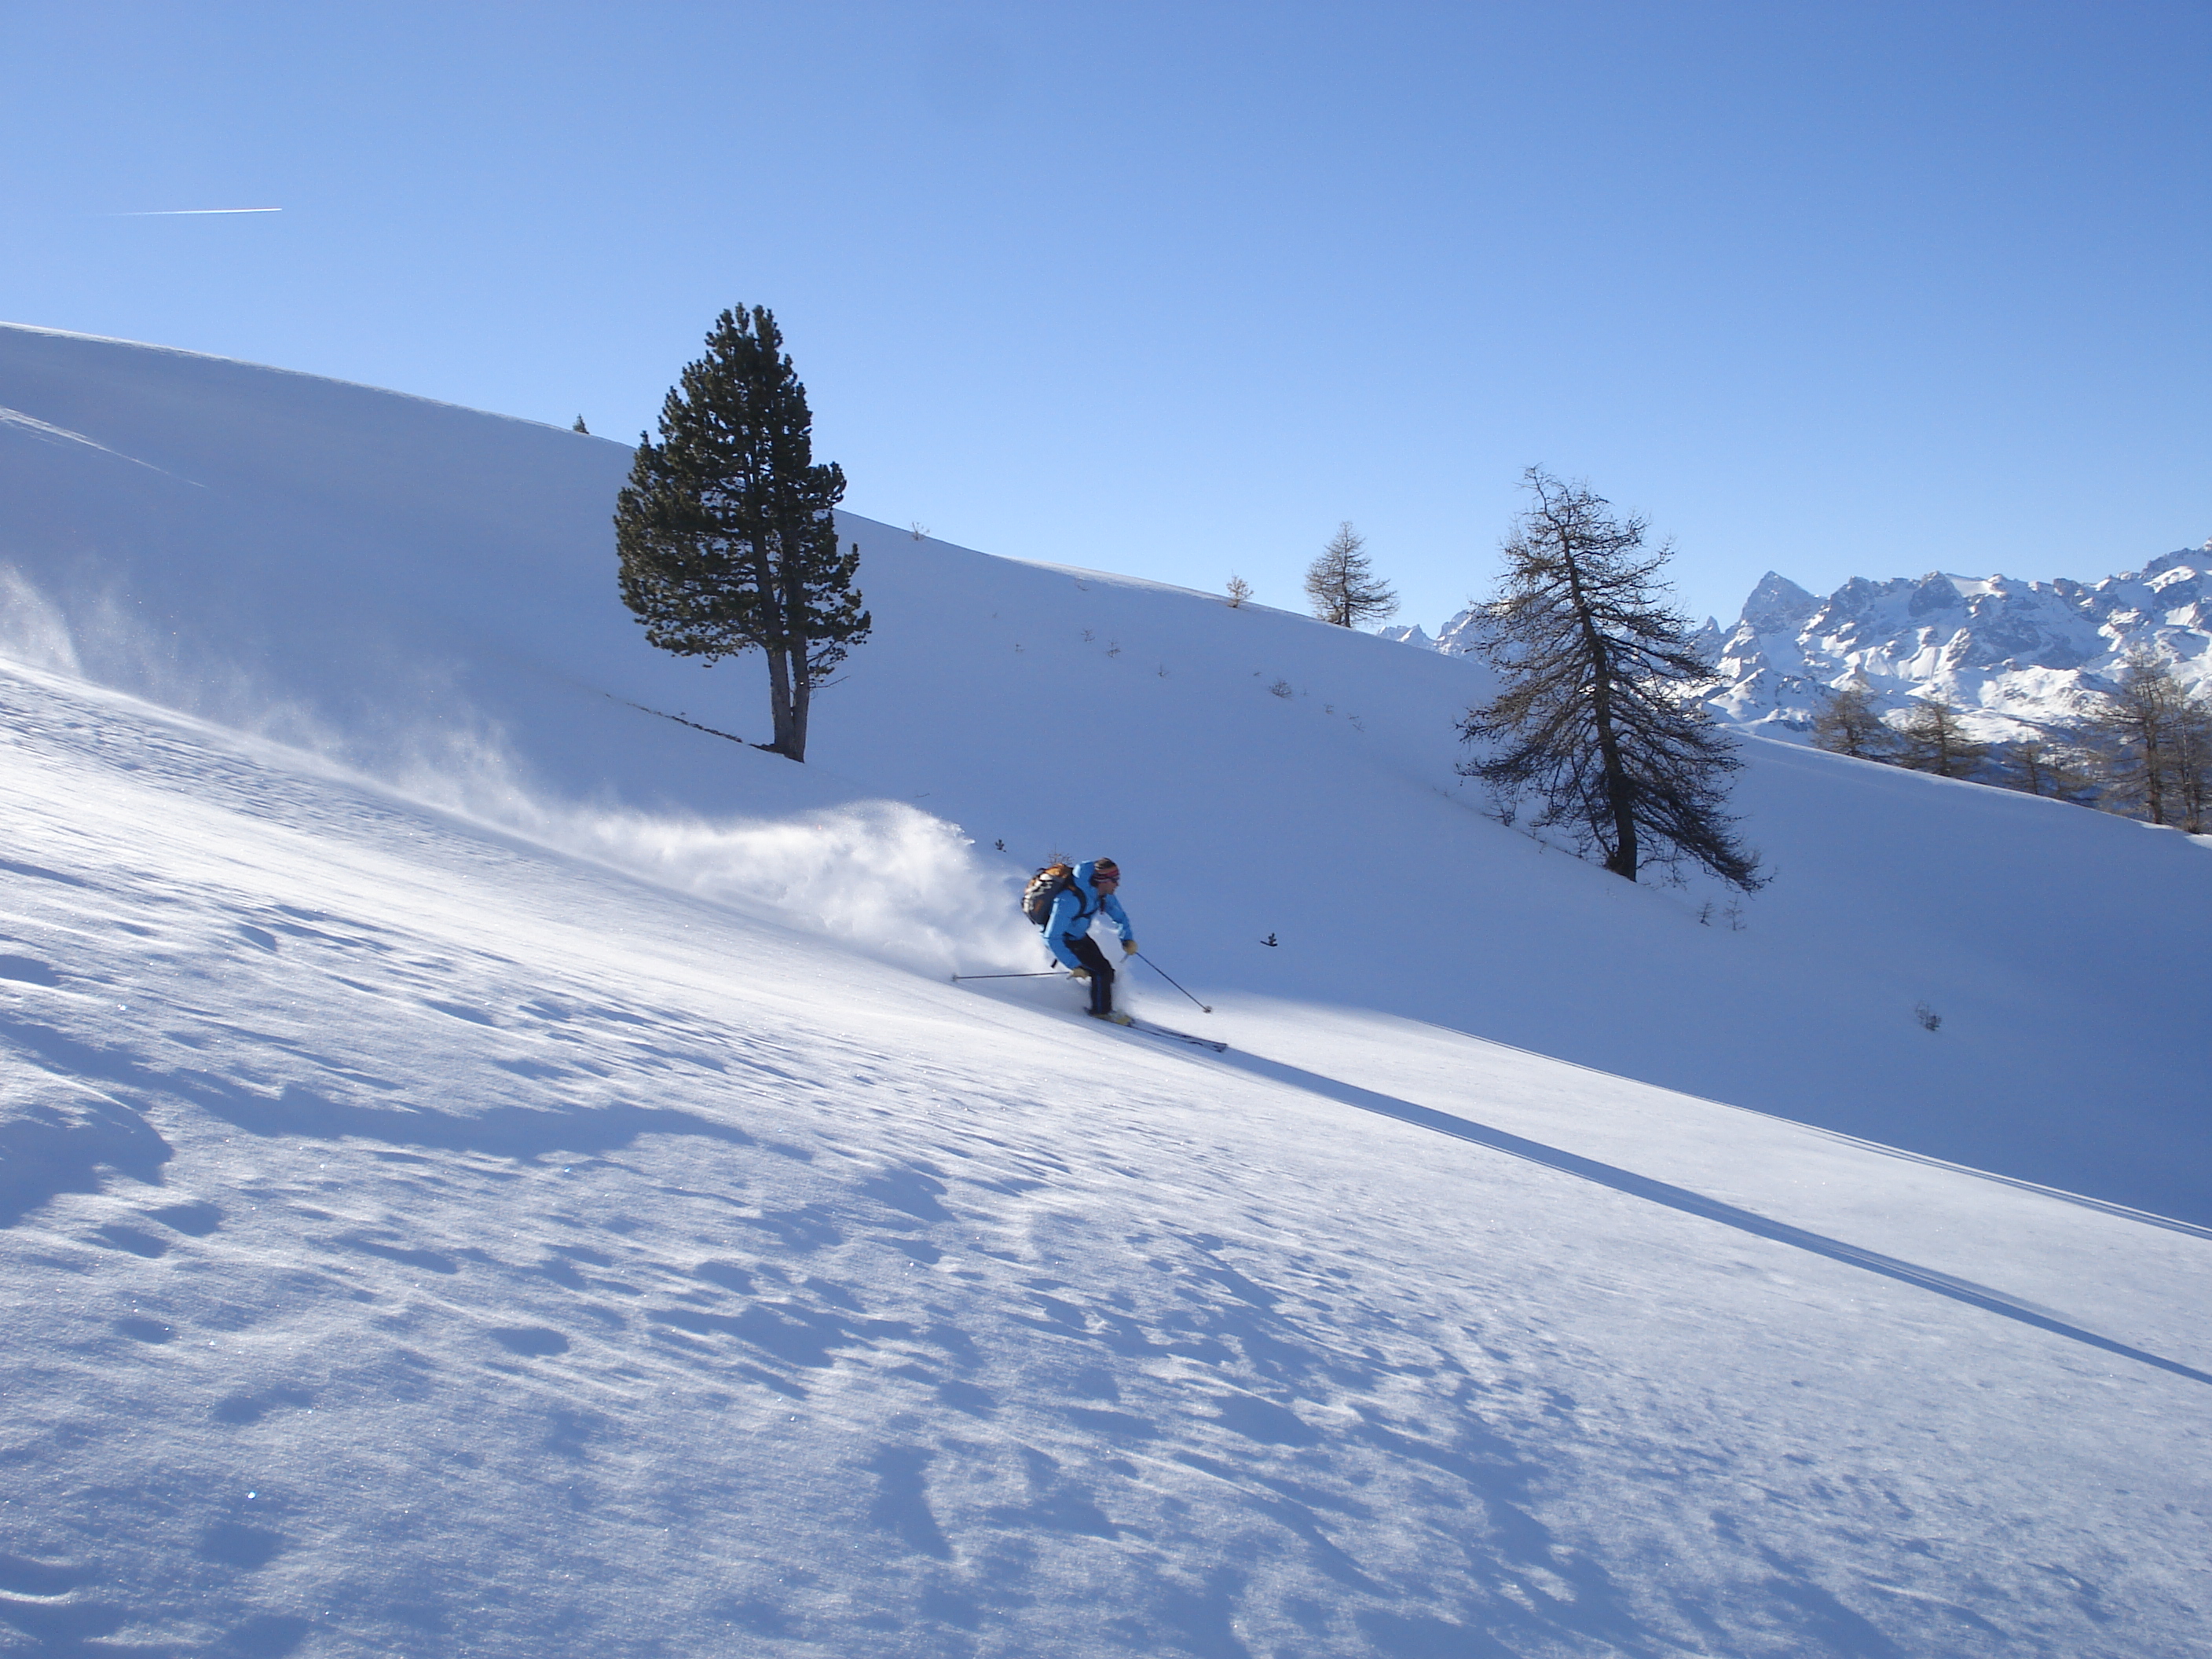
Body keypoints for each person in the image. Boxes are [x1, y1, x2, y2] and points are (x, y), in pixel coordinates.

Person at [1041, 858, 1137, 1024]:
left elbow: (1120, 917)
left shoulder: (1102, 895)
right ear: (1103, 881)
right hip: (1064, 941)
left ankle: (1099, 1003)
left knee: (1107, 972)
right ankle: (1101, 1013)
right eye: (1114, 880)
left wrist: (1127, 939)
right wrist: (1073, 965)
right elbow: (1051, 937)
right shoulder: (1069, 900)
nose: (1117, 884)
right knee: (1101, 972)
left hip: (1079, 936)